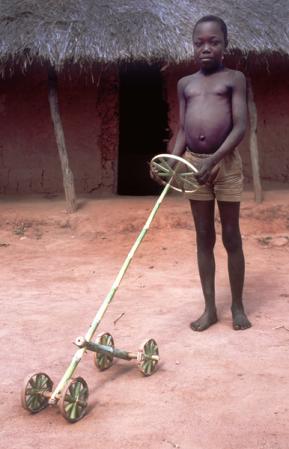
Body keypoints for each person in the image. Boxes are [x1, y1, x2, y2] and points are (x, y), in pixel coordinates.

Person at [166, 15, 251, 331]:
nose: (206, 48)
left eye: (213, 42)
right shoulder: (185, 84)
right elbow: (183, 129)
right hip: (193, 166)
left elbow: (241, 125)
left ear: (224, 45)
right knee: (204, 236)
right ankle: (209, 309)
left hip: (224, 164)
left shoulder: (234, 79)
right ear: (193, 46)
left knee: (231, 235)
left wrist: (215, 159)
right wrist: (170, 161)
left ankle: (238, 307)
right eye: (199, 43)